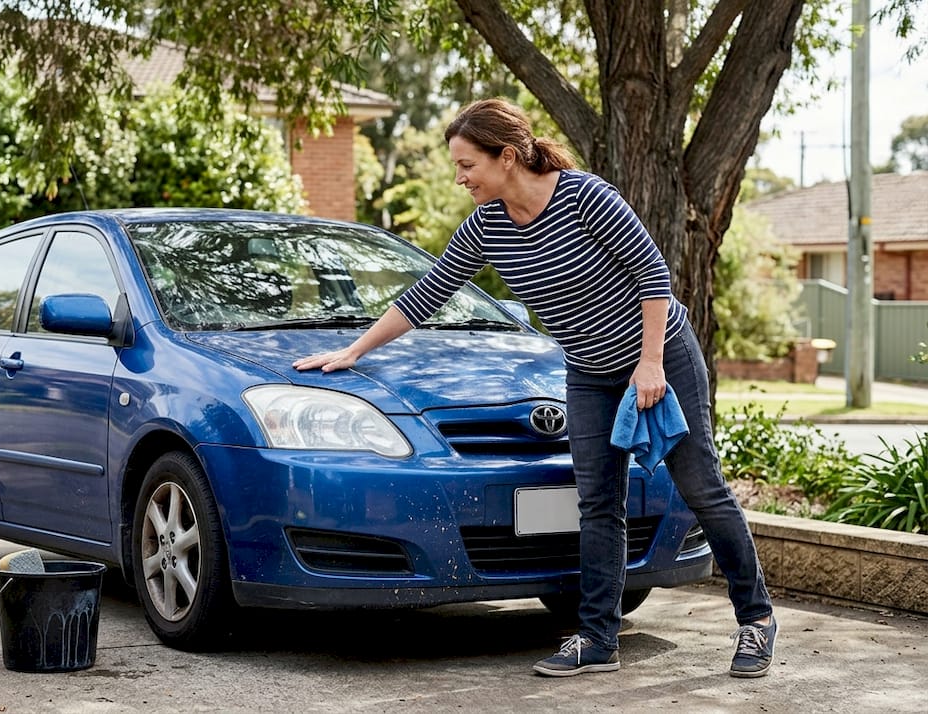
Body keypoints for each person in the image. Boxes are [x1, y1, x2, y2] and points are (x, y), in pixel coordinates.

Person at [292, 98, 776, 678]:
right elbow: (425, 297)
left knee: (702, 488)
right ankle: (598, 638)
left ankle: (756, 621)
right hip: (590, 370)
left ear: (509, 157)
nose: (460, 177)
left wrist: (650, 365)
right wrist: (352, 351)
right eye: (457, 166)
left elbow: (653, 274)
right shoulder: (487, 227)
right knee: (598, 503)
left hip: (659, 352)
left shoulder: (583, 198)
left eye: (468, 164)